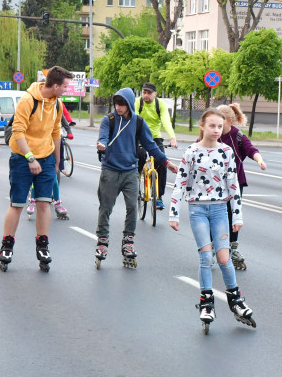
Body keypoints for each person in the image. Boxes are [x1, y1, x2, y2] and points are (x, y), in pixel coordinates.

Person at [168, 108, 255, 331]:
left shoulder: (226, 152)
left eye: (219, 126)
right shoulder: (191, 152)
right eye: (212, 126)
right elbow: (180, 183)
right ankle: (206, 302)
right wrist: (174, 212)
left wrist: (237, 215)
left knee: (224, 258)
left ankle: (235, 300)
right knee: (206, 257)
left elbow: (233, 187)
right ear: (202, 126)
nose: (216, 130)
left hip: (219, 210)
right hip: (197, 209)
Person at [0, 67, 71, 272]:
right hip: (22, 157)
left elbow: (56, 132)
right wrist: (30, 157)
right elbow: (18, 130)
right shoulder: (28, 101)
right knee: (18, 204)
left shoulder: (57, 103)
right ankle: (7, 245)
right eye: (65, 86)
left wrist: (57, 162)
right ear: (55, 85)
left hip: (46, 157)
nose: (66, 90)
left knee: (43, 203)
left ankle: (43, 246)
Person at [95, 87, 177, 266]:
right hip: (110, 170)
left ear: (129, 104)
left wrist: (166, 162)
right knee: (106, 208)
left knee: (132, 207)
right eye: (116, 103)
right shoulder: (108, 120)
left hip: (130, 171)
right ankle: (102, 241)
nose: (118, 107)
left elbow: (151, 146)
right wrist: (101, 144)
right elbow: (102, 137)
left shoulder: (138, 122)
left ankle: (128, 242)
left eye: (122, 104)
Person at [216, 103, 267, 271]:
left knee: (233, 216)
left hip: (235, 182)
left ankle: (233, 249)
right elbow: (197, 147)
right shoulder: (211, 133)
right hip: (214, 183)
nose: (216, 125)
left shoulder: (237, 136)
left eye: (220, 122)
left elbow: (251, 150)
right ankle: (211, 248)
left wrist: (260, 161)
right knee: (215, 215)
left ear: (230, 121)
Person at [134, 81, 177, 210]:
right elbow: (134, 118)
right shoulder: (137, 102)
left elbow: (165, 121)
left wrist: (172, 137)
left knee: (162, 163)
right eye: (144, 92)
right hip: (139, 135)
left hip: (155, 137)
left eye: (148, 93)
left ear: (155, 94)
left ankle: (158, 196)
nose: (145, 95)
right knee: (139, 156)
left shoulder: (160, 105)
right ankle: (135, 186)